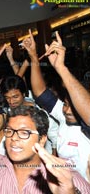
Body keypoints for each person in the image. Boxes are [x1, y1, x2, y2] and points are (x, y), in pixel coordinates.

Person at [25, 29, 90, 181]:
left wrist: (61, 68)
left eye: (73, 106)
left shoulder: (86, 127)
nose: (67, 110)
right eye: (65, 104)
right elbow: (40, 93)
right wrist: (34, 57)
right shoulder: (63, 117)